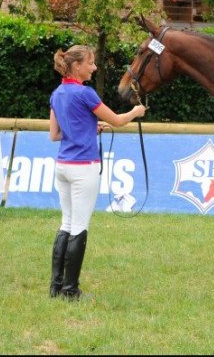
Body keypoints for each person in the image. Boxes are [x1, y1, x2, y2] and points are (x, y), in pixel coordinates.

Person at [49, 45, 146, 300]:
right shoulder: (86, 93)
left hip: (63, 165)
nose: (94, 67)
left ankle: (56, 286)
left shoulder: (57, 93)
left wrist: (90, 127)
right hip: (83, 167)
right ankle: (71, 290)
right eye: (91, 63)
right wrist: (136, 111)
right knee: (79, 227)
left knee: (66, 224)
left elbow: (55, 135)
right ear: (77, 66)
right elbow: (118, 120)